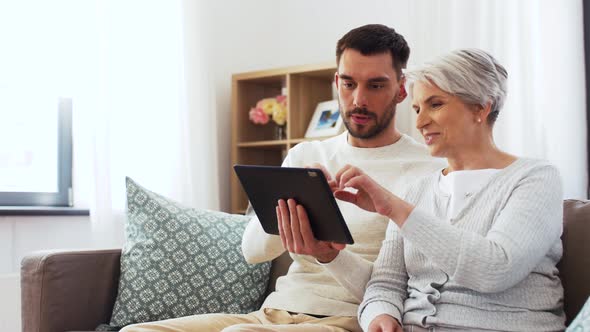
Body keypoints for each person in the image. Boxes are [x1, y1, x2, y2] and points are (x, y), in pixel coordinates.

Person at [121, 24, 444, 332]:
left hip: (348, 318)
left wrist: (329, 255)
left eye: (375, 85)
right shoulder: (306, 155)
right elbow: (253, 251)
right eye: (348, 83)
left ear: (401, 90)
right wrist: (293, 204)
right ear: (336, 82)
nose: (359, 99)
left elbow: (401, 290)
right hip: (275, 312)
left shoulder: (427, 169)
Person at [300, 48, 564, 331]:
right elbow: (386, 283)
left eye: (435, 104)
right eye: (416, 108)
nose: (419, 122)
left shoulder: (535, 178)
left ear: (481, 107)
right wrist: (381, 316)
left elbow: (496, 268)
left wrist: (394, 208)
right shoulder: (418, 190)